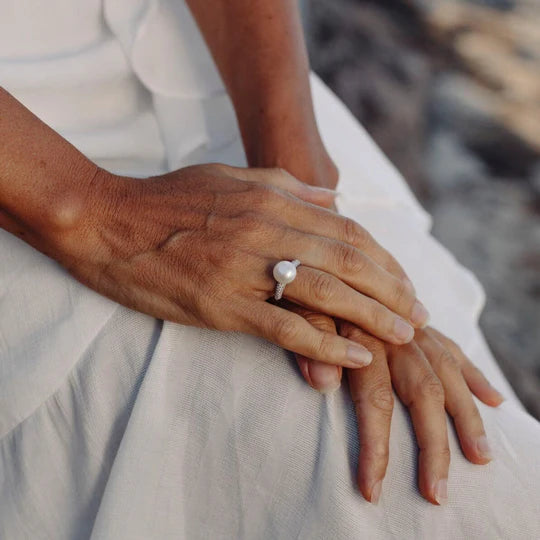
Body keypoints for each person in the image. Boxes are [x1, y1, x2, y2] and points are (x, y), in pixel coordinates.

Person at [0, 1, 538, 538]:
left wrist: (306, 197)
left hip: (224, 68)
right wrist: (95, 214)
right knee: (428, 492)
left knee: (470, 439)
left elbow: (311, 208)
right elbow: (87, 213)